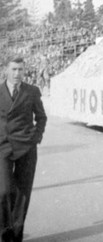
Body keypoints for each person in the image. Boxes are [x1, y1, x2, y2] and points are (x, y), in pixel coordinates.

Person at [1, 57, 47, 242]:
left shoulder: (32, 91)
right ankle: (5, 231)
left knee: (22, 193)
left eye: (20, 69)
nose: (17, 73)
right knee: (3, 191)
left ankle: (16, 234)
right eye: (13, 69)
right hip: (3, 146)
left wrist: (36, 137)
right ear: (6, 70)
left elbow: (41, 117)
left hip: (26, 147)